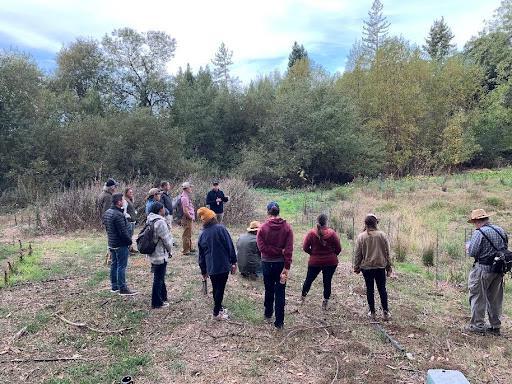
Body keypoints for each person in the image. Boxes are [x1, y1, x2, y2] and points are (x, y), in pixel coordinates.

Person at [466, 208, 507, 335]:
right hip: (498, 270)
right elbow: (504, 248)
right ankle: (495, 327)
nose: (474, 225)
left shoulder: (479, 233)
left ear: (477, 221)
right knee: (495, 299)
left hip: (482, 270)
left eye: (474, 222)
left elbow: (472, 252)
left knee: (478, 297)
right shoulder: (500, 230)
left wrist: (467, 247)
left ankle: (477, 326)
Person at [257, 202, 293, 329]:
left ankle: (268, 313)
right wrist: (286, 266)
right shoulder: (287, 228)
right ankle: (279, 322)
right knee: (280, 292)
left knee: (269, 288)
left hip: (266, 263)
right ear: (279, 212)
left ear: (268, 212)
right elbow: (288, 250)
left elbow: (262, 248)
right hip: (281, 264)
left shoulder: (262, 228)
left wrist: (273, 250)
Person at [197, 207, 237, 320]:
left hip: (211, 267)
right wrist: (233, 262)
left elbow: (201, 256)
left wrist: (203, 270)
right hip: (223, 265)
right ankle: (216, 313)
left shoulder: (202, 234)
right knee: (220, 288)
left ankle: (218, 308)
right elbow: (230, 246)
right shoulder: (221, 229)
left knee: (216, 287)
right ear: (213, 217)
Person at [353, 214, 392, 321]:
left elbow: (358, 254)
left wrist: (356, 266)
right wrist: (389, 267)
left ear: (365, 224)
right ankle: (385, 312)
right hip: (380, 267)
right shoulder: (382, 235)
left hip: (367, 268)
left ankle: (372, 312)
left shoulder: (361, 236)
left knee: (370, 289)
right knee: (382, 289)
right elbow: (387, 253)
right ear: (376, 223)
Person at [300, 214, 342, 310]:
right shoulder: (332, 233)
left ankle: (302, 298)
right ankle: (325, 302)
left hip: (315, 262)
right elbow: (339, 248)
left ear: (317, 221)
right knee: (327, 281)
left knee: (309, 279)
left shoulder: (311, 233)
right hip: (331, 262)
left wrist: (313, 254)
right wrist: (332, 255)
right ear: (326, 221)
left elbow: (305, 247)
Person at [103, 193, 137, 296]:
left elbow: (107, 228)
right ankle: (123, 288)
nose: (123, 202)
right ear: (118, 202)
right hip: (120, 244)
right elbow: (123, 232)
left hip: (111, 243)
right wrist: (129, 242)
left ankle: (114, 287)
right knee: (121, 266)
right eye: (122, 200)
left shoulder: (108, 212)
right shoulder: (118, 215)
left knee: (114, 264)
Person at [146, 202, 173, 309]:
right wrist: (170, 251)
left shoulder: (150, 219)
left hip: (152, 253)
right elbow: (166, 240)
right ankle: (156, 302)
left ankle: (163, 297)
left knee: (159, 276)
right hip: (159, 254)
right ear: (160, 210)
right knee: (158, 278)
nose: (164, 210)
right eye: (163, 208)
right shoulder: (160, 222)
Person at [180, 182, 196, 255]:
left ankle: (190, 248)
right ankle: (185, 250)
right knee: (186, 234)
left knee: (189, 233)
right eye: (190, 187)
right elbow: (185, 211)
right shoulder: (184, 198)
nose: (191, 188)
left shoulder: (186, 196)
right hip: (187, 218)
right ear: (186, 188)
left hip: (188, 218)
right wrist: (190, 217)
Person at [123, 187, 137, 254]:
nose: (131, 193)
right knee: (128, 236)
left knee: (131, 236)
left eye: (132, 192)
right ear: (126, 193)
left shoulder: (130, 200)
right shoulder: (125, 200)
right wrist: (129, 216)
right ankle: (127, 251)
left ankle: (131, 248)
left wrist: (135, 212)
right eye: (130, 192)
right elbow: (124, 211)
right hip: (128, 221)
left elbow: (132, 209)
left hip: (132, 221)